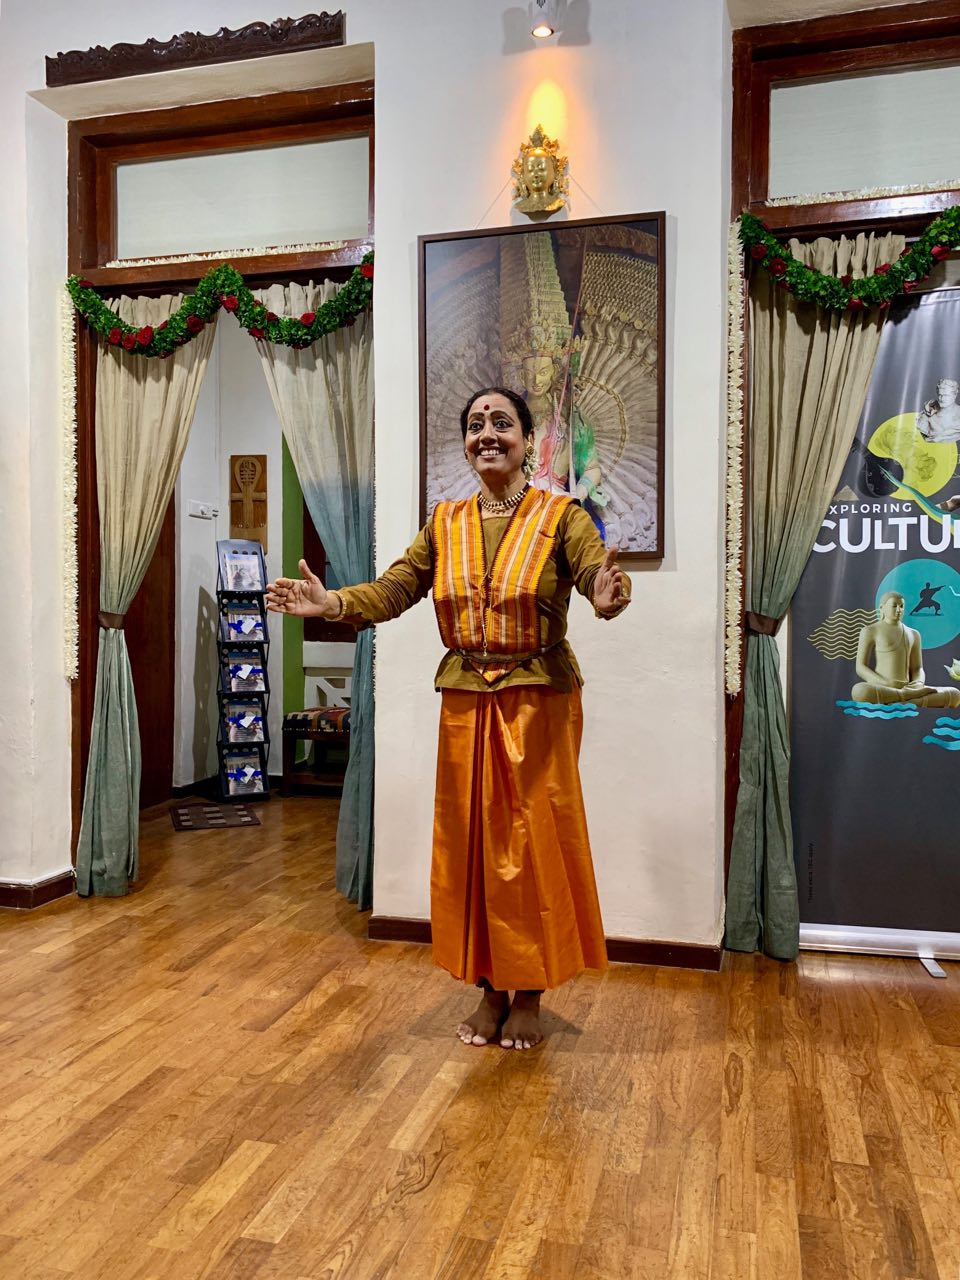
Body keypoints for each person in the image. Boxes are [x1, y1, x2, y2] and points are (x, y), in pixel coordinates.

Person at [266, 386, 629, 1050]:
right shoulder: (446, 522)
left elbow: (593, 577)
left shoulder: (562, 517)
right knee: (473, 848)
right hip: (465, 701)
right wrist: (332, 604)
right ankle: (490, 987)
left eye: (502, 422)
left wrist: (608, 596)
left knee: (531, 848)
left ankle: (529, 990)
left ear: (527, 439)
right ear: (465, 443)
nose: (487, 433)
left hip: (538, 701)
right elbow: (395, 588)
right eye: (475, 424)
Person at [851, 590, 960, 708]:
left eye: (901, 606)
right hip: (883, 686)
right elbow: (861, 667)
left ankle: (898, 698)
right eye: (894, 606)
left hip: (910, 688)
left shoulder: (913, 634)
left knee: (955, 694)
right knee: (859, 691)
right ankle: (906, 697)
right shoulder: (870, 631)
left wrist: (918, 683)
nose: (899, 610)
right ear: (882, 608)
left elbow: (917, 668)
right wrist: (885, 683)